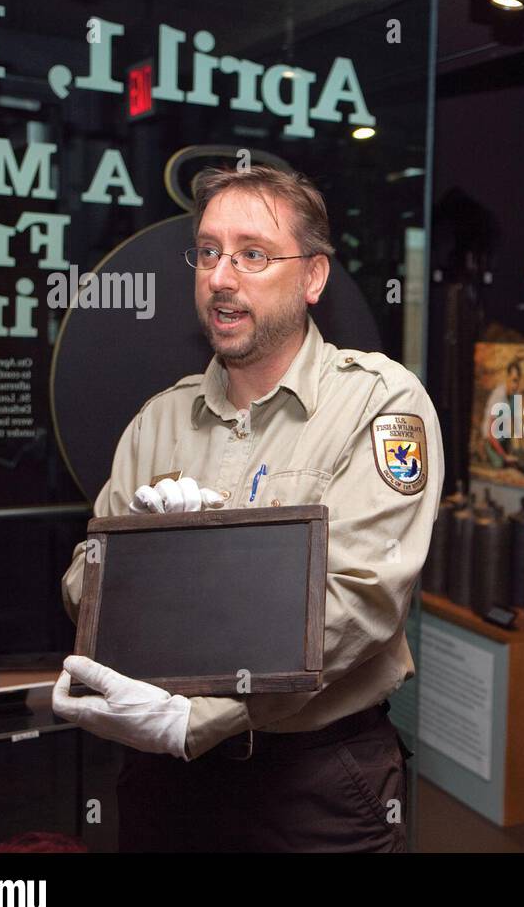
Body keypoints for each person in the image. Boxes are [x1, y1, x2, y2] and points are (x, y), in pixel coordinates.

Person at [52, 164, 444, 852]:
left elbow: (356, 599)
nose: (221, 278)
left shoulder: (380, 405)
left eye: (253, 255)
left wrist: (196, 717)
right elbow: (87, 586)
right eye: (208, 253)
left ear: (314, 277)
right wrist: (130, 563)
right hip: (162, 782)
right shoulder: (159, 422)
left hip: (311, 784)